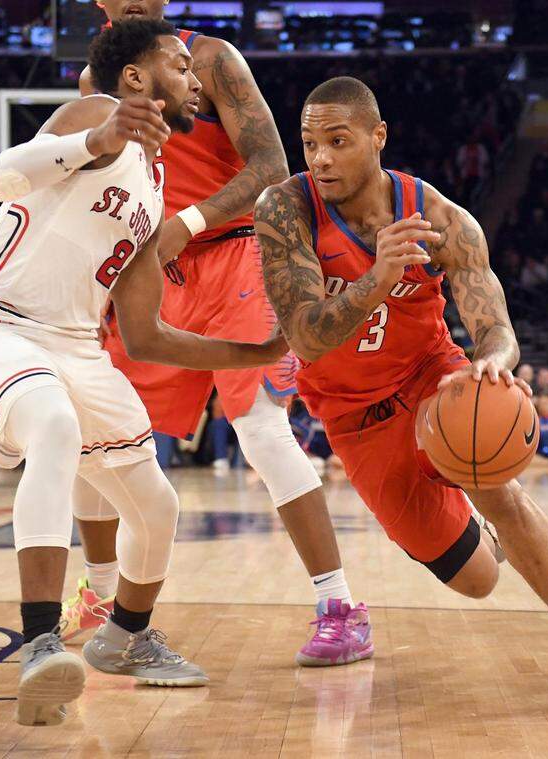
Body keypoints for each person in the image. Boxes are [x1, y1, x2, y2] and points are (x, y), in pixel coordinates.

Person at [0, 20, 286, 725]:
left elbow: (147, 336)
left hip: (75, 350)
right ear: (135, 78)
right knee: (55, 425)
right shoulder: (92, 115)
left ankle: (124, 635)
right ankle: (41, 644)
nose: (194, 80)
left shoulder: (153, 191)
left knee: (156, 504)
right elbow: (1, 177)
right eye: (180, 66)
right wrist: (97, 138)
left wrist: (257, 353)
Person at [254, 77, 548, 712]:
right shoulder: (284, 209)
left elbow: (497, 330)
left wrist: (491, 367)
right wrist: (378, 277)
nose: (319, 158)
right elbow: (306, 338)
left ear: (378, 137)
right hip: (354, 417)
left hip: (432, 377)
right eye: (309, 143)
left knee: (499, 488)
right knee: (477, 580)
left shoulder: (441, 219)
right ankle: (485, 535)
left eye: (338, 141)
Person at [70, 0, 366, 668]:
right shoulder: (94, 82)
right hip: (153, 267)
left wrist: (191, 221)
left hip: (237, 249)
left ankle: (340, 607)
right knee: (96, 433)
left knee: (259, 427)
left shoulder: (208, 59)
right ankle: (101, 597)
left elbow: (272, 165)